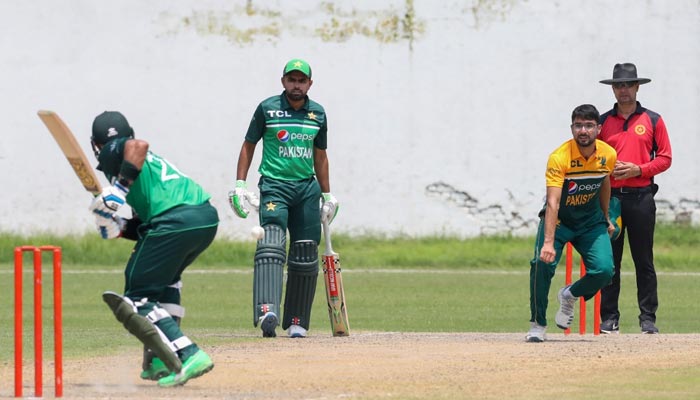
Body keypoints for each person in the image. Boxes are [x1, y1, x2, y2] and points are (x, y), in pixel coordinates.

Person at [88, 111, 218, 386]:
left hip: (174, 221)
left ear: (95, 144)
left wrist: (119, 189)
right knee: (165, 282)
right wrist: (119, 226)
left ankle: (188, 353)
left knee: (138, 296)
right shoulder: (144, 168)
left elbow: (139, 145)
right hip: (203, 218)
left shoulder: (114, 152)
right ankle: (159, 359)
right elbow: (143, 224)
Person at [229, 58, 339, 338]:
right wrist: (240, 184)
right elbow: (249, 145)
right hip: (274, 185)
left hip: (306, 189)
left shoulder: (318, 114)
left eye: (302, 80)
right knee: (271, 243)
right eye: (292, 80)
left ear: (310, 84)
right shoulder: (267, 109)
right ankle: (268, 311)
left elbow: (320, 155)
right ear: (283, 82)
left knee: (305, 252)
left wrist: (327, 194)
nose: (296, 85)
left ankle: (296, 321)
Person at [526, 104, 617, 343]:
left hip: (590, 222)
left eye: (589, 125)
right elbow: (553, 202)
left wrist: (606, 217)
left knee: (604, 270)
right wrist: (548, 242)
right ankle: (537, 324)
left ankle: (570, 294)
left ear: (598, 128)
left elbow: (605, 183)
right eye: (578, 126)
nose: (583, 131)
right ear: (572, 128)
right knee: (541, 264)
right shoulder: (560, 157)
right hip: (560, 221)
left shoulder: (608, 154)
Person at [598, 63, 672, 334]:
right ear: (613, 89)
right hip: (611, 200)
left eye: (628, 85)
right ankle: (609, 318)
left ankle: (647, 318)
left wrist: (638, 169)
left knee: (644, 260)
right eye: (619, 85)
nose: (624, 90)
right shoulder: (603, 122)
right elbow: (593, 158)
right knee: (610, 261)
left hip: (641, 198)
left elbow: (665, 158)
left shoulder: (653, 120)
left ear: (637, 87)